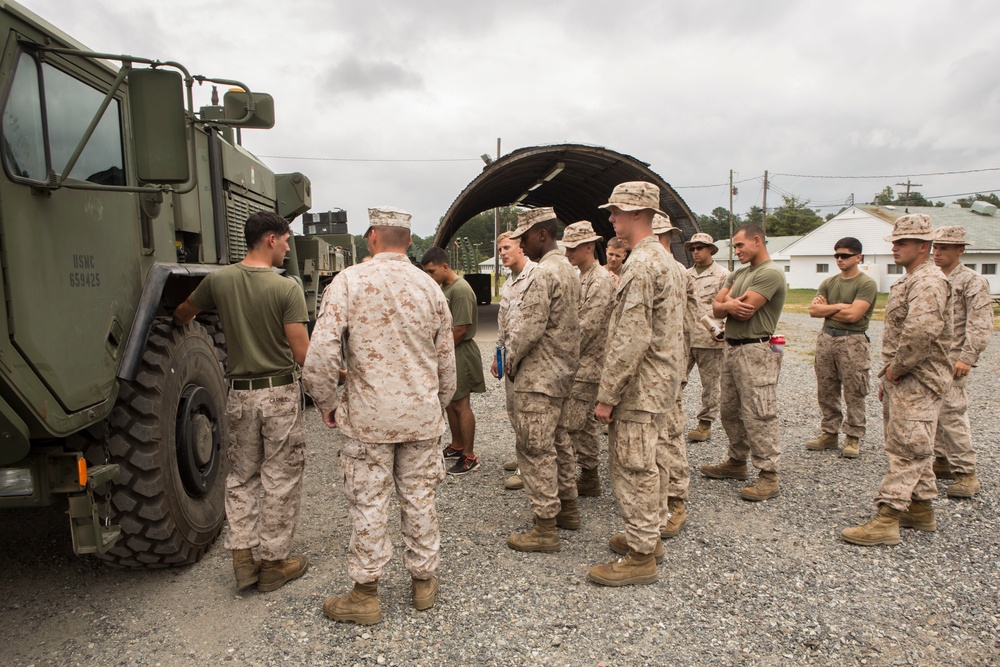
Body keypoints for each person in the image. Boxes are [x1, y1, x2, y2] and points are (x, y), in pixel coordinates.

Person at [303, 206, 456, 623]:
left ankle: (365, 594)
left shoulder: (348, 282)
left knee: (369, 504)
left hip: (369, 420)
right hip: (421, 417)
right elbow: (447, 364)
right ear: (408, 241)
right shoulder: (430, 288)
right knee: (420, 497)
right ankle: (424, 582)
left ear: (372, 237)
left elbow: (319, 357)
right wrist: (436, 404)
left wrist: (327, 404)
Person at [172, 211, 310, 593]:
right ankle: (275, 562)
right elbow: (302, 354)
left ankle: (243, 560)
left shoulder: (219, 280)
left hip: (239, 394)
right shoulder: (286, 288)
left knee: (241, 476)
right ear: (270, 239)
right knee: (280, 478)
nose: (286, 247)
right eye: (285, 240)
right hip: (279, 392)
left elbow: (183, 313)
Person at [589, 182, 685, 586]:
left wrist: (608, 395)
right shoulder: (667, 261)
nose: (611, 219)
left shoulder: (642, 265)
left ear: (635, 214)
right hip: (661, 383)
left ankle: (641, 555)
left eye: (616, 212)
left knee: (634, 466)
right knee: (654, 461)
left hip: (640, 387)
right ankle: (648, 535)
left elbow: (631, 337)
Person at [842, 214, 952, 546]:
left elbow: (920, 334)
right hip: (905, 377)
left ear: (923, 246)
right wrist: (890, 376)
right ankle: (919, 509)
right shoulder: (911, 279)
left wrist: (896, 369)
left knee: (908, 448)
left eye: (902, 242)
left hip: (918, 378)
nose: (894, 248)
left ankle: (887, 518)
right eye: (894, 241)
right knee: (913, 443)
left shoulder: (929, 281)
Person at [504, 207, 581, 553]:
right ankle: (569, 509)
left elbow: (528, 329)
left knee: (535, 449)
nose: (521, 244)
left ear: (541, 235)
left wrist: (509, 361)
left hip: (538, 376)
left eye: (524, 237)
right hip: (562, 373)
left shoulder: (543, 273)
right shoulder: (569, 269)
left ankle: (545, 528)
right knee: (560, 442)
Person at [701, 223, 786, 502]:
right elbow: (717, 307)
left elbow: (745, 311)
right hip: (732, 348)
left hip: (756, 350)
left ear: (758, 241)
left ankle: (768, 475)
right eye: (735, 246)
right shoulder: (740, 272)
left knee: (759, 413)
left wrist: (726, 303)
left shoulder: (770, 273)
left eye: (740, 245)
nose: (736, 251)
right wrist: (726, 304)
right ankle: (737, 461)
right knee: (730, 410)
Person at [804, 237, 878, 458]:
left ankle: (853, 436)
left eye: (844, 255)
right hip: (827, 338)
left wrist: (827, 308)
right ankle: (829, 432)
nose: (839, 259)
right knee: (826, 388)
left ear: (858, 257)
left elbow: (854, 315)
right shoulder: (829, 282)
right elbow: (813, 311)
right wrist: (838, 307)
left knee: (855, 390)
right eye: (836, 255)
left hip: (852, 340)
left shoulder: (866, 284)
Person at [931, 226, 991, 498]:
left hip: (954, 359)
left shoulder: (971, 281)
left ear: (960, 250)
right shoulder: (931, 277)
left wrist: (968, 357)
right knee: (931, 414)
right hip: (930, 360)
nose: (938, 252)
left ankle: (967, 473)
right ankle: (941, 461)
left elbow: (980, 322)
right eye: (935, 246)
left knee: (953, 415)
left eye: (945, 247)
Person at [558, 221, 616, 498]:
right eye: (566, 247)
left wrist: (556, 350)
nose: (568, 252)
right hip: (577, 365)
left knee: (572, 425)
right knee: (583, 425)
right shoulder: (580, 277)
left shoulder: (600, 280)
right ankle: (589, 475)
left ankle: (573, 480)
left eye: (573, 247)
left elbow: (586, 326)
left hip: (588, 365)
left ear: (589, 247)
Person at [420, 247, 486, 475]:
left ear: (445, 267)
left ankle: (470, 455)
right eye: (425, 272)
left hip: (460, 351)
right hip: (450, 352)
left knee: (461, 404)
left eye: (432, 271)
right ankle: (457, 445)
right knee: (449, 401)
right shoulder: (444, 288)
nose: (429, 276)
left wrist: (437, 354)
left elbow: (460, 329)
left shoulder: (461, 289)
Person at [649, 214, 692, 539]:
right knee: (658, 437)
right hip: (664, 367)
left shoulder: (671, 270)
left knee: (669, 436)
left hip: (665, 368)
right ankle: (660, 499)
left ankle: (676, 502)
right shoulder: (671, 268)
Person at [491, 231, 537, 491]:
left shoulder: (535, 277)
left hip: (530, 363)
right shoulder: (509, 282)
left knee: (528, 416)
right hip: (510, 361)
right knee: (513, 412)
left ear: (522, 249)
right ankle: (523, 456)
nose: (503, 253)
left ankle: (528, 467)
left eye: (507, 248)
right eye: (500, 250)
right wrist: (499, 354)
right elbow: (504, 324)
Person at [683, 233, 730, 443]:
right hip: (685, 337)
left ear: (710, 249)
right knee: (675, 379)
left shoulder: (723, 276)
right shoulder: (685, 274)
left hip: (710, 338)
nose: (696, 252)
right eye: (693, 248)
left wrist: (725, 330)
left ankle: (705, 424)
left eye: (700, 248)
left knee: (710, 385)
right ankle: (667, 419)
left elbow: (729, 305)